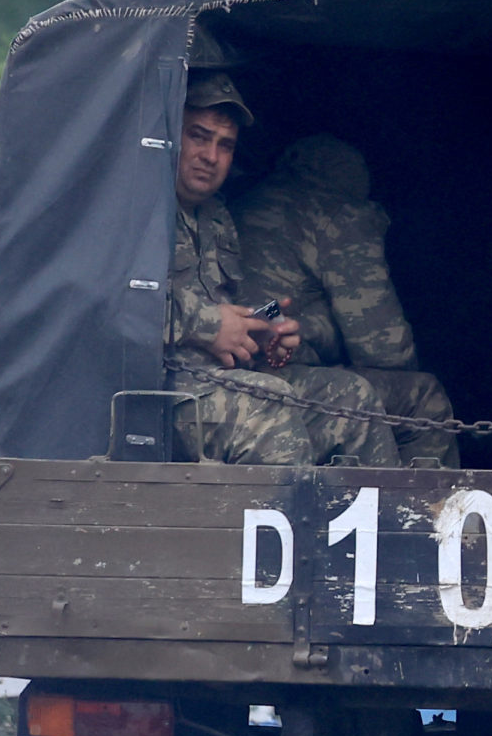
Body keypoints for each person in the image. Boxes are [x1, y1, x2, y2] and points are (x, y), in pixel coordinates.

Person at [165, 73, 401, 468]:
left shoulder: (217, 216)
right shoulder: (133, 208)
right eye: (199, 136)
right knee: (269, 410)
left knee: (353, 399)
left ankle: (393, 528)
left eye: (225, 145)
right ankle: (295, 528)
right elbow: (107, 304)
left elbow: (236, 309)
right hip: (159, 393)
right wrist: (209, 325)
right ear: (173, 135)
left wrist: (268, 330)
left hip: (219, 381)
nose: (211, 156)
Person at [235, 135, 458, 467]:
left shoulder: (240, 205)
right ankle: (424, 515)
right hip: (275, 378)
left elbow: (264, 309)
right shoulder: (338, 215)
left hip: (232, 371)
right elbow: (385, 348)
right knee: (423, 397)